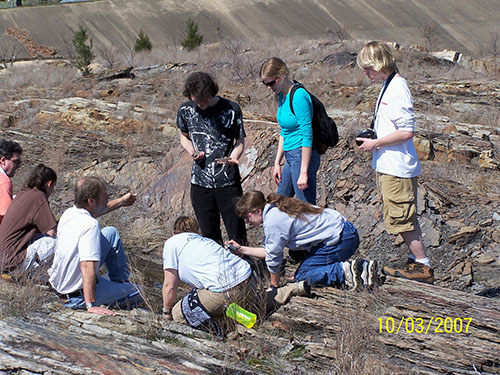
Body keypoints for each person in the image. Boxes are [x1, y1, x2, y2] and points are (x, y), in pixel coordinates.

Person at [356, 41, 433, 284]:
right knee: (400, 216)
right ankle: (415, 260)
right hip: (389, 165)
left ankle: (423, 266)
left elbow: (407, 132)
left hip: (398, 167)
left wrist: (375, 144)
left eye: (368, 68)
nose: (366, 73)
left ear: (380, 64)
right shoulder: (387, 85)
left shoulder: (398, 87)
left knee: (403, 217)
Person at [162, 216, 309, 334]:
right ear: (196, 231)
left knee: (179, 314)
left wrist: (166, 311)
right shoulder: (204, 241)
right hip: (249, 279)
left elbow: (170, 285)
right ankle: (294, 288)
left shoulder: (172, 243)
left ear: (174, 233)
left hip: (225, 292)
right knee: (250, 300)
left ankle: (235, 325)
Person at [230, 191, 378, 290]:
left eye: (246, 217)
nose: (246, 222)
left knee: (302, 276)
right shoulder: (276, 209)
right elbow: (269, 251)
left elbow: (273, 258)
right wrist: (241, 249)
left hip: (342, 239)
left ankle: (351, 270)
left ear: (257, 211)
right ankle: (350, 269)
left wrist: (274, 287)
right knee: (301, 274)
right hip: (343, 232)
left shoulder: (273, 221)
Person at [48, 176, 141, 316]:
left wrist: (121, 201)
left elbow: (97, 210)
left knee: (111, 233)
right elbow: (87, 266)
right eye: (104, 194)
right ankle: (117, 294)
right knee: (139, 291)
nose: (108, 196)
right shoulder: (90, 226)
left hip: (60, 284)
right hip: (75, 297)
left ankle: (119, 284)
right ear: (91, 201)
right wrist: (90, 304)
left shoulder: (69, 213)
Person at [177, 71, 247, 245]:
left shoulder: (231, 109)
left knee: (236, 232)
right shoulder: (186, 110)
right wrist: (192, 151)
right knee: (209, 235)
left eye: (204, 100)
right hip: (200, 183)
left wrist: (234, 157)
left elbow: (239, 141)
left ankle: (246, 268)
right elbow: (184, 136)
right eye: (196, 100)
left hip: (228, 182)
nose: (200, 104)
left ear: (211, 93)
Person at [260, 57, 321, 205]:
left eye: (270, 82)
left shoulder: (298, 96)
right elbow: (284, 131)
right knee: (278, 203)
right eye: (264, 83)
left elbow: (307, 135)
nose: (269, 87)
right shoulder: (281, 96)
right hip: (290, 155)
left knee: (305, 209)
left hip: (302, 155)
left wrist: (303, 172)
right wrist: (277, 163)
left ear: (281, 76)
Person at [0, 164, 57, 277]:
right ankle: (55, 278)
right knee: (58, 242)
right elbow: (52, 232)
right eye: (53, 186)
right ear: (49, 184)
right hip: (13, 262)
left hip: (4, 259)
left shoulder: (23, 193)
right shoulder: (38, 198)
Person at [0, 139, 23, 224]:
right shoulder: (4, 182)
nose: (18, 166)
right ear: (3, 160)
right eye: (16, 162)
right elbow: (8, 217)